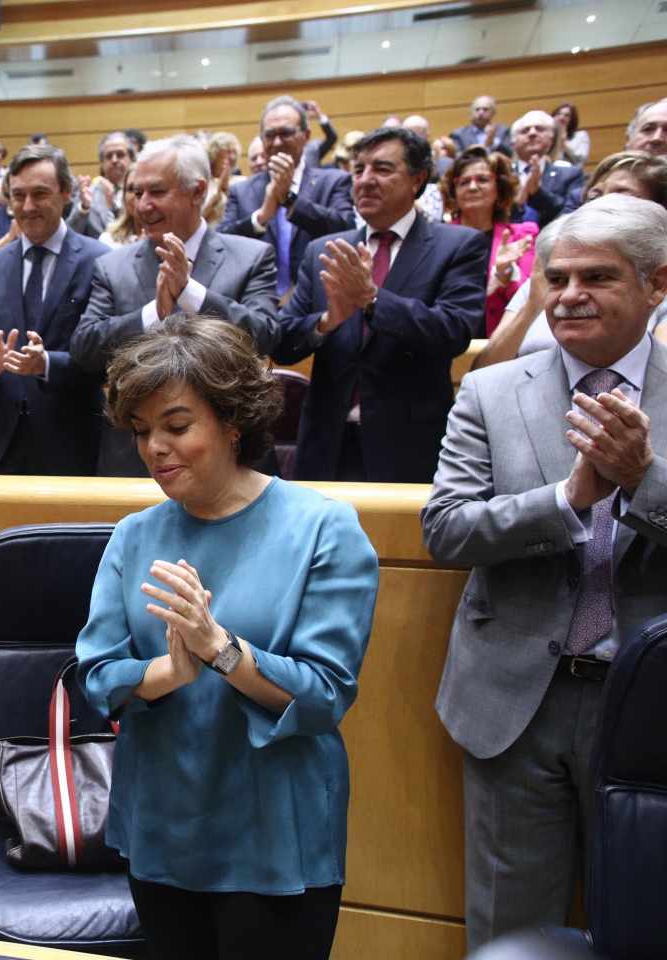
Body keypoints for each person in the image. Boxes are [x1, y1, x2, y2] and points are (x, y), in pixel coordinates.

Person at [76, 315, 378, 960]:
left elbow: (325, 696)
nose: (156, 447)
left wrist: (221, 649)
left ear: (233, 422)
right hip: (162, 826)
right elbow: (95, 679)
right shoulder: (133, 535)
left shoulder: (324, 529)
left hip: (273, 834)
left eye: (177, 426)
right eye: (142, 431)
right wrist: (170, 672)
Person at [422, 194, 667, 950]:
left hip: (650, 700)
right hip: (514, 704)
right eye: (555, 278)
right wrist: (567, 499)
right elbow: (446, 530)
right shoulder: (491, 391)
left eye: (597, 277)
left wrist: (644, 483)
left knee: (649, 924)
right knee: (508, 934)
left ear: (656, 284)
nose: (569, 296)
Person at [273, 126, 489, 483]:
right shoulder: (323, 250)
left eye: (383, 169)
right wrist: (326, 321)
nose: (366, 180)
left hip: (408, 449)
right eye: (359, 170)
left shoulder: (458, 246)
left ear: (418, 179)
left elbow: (454, 331)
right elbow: (282, 342)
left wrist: (372, 299)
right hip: (325, 448)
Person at [72, 134, 279, 477]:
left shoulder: (251, 257)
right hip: (134, 463)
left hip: (232, 461)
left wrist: (191, 293)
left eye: (157, 192)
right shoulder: (111, 266)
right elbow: (84, 348)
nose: (142, 205)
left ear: (198, 192)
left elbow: (266, 336)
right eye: (137, 193)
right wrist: (154, 314)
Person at [0, 144, 110, 475]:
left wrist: (46, 364)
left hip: (74, 444)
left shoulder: (100, 261)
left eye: (40, 193)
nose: (27, 206)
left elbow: (106, 357)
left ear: (66, 193)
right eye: (18, 195)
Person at [474, 152, 667, 370]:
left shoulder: (657, 283)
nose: (599, 204)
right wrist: (533, 306)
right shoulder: (548, 275)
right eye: (594, 195)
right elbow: (485, 371)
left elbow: (660, 384)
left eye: (620, 196)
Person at [221, 96, 357, 300]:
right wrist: (261, 217)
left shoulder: (334, 182)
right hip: (255, 308)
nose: (277, 142)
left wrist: (290, 199)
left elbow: (345, 230)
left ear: (307, 135)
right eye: (270, 135)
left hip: (317, 305)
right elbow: (222, 244)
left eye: (286, 133)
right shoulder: (241, 191)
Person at [442, 146, 537, 335]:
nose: (473, 187)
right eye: (463, 182)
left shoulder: (521, 236)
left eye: (483, 180)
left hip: (501, 344)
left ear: (499, 189)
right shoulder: (437, 238)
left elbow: (531, 302)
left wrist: (506, 275)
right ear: (454, 192)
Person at [509, 111, 584, 227]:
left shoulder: (570, 174)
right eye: (525, 130)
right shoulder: (502, 174)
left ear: (551, 138)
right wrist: (517, 203)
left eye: (539, 129)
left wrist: (538, 193)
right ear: (513, 142)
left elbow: (571, 216)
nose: (532, 133)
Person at [67, 131, 136, 239]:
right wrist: (84, 208)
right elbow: (70, 236)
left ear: (131, 159)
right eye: (109, 156)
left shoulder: (141, 192)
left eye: (120, 155)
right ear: (102, 163)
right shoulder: (88, 193)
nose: (114, 160)